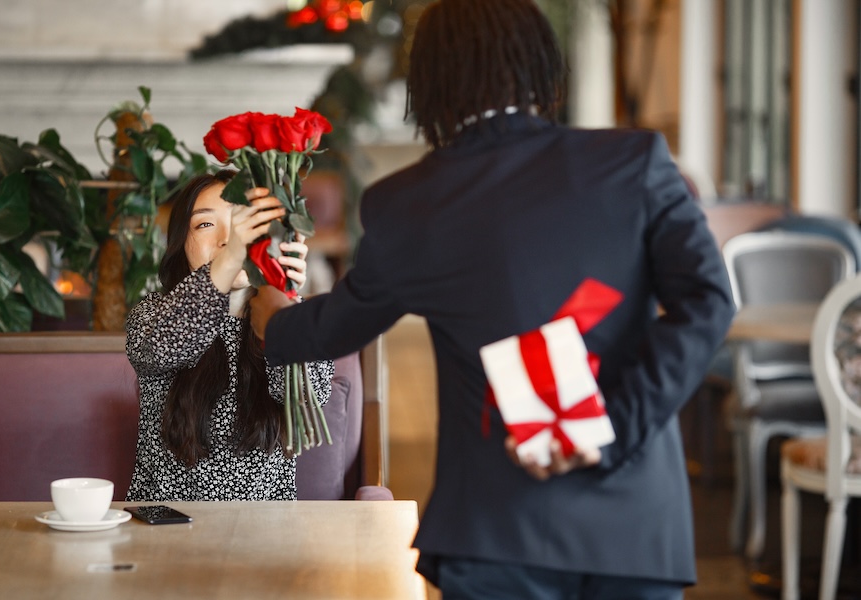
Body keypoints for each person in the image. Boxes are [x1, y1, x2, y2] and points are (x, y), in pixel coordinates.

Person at [250, 0, 735, 597]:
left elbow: (336, 327)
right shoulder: (635, 163)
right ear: (537, 63)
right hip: (632, 529)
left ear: (430, 82)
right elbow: (709, 302)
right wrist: (608, 425)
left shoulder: (409, 203)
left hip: (492, 532)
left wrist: (273, 317)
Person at [125, 170, 334, 502]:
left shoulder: (298, 319)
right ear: (181, 243)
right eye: (206, 224)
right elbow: (167, 346)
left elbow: (310, 398)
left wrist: (286, 303)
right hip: (166, 532)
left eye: (239, 224)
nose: (226, 239)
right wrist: (232, 255)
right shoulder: (152, 316)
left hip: (265, 537)